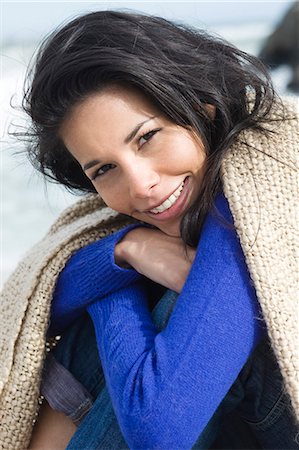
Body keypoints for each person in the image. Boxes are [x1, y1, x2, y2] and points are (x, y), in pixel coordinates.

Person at [0, 10, 298, 450]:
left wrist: (113, 291)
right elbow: (40, 304)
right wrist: (126, 249)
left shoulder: (253, 196)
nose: (141, 186)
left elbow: (159, 429)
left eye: (146, 138)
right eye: (104, 169)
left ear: (202, 108)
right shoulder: (137, 219)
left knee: (169, 302)